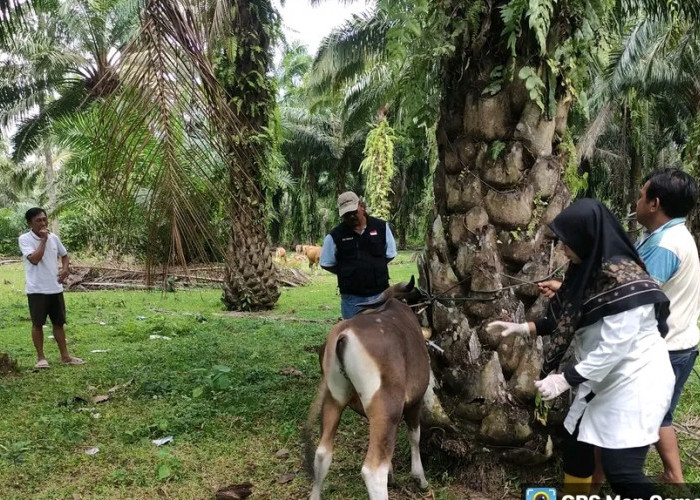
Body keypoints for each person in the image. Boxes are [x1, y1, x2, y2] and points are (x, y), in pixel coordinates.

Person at [486, 199, 674, 499]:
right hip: (602, 380)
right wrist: (522, 328)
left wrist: (564, 379)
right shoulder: (589, 270)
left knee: (621, 469)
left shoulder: (625, 280)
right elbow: (566, 317)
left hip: (636, 383)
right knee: (577, 445)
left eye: (566, 242)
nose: (561, 249)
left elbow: (613, 349)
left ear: (586, 238)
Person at [539, 170, 700, 487]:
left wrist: (568, 293)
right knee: (613, 428)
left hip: (661, 349)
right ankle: (602, 482)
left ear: (654, 204)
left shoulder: (666, 246)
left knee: (644, 429)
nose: (637, 202)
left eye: (641, 196)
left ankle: (672, 479)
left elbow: (629, 299)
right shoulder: (663, 238)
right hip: (667, 344)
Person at [18, 207, 84, 369]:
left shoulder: (54, 237)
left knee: (59, 323)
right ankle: (41, 358)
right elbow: (34, 259)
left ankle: (65, 356)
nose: (43, 223)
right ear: (29, 223)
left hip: (55, 288)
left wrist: (65, 268)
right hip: (37, 290)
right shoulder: (25, 239)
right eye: (38, 220)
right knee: (38, 324)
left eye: (44, 219)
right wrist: (43, 240)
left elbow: (64, 254)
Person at [320, 191, 397, 319]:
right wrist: (346, 272)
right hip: (352, 299)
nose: (351, 217)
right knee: (354, 334)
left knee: (383, 333)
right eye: (346, 214)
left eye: (353, 212)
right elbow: (326, 263)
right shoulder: (335, 236)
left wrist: (375, 267)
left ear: (362, 207)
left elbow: (390, 254)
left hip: (381, 294)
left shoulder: (381, 227)